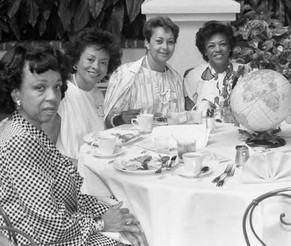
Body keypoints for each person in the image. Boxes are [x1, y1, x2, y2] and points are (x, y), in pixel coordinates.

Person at [0, 43, 147, 246]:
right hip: (42, 238)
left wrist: (107, 212)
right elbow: (48, 225)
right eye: (39, 87)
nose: (53, 97)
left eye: (57, 86)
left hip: (67, 225)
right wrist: (102, 222)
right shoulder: (20, 140)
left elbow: (71, 187)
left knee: (138, 224)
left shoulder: (31, 129)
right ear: (16, 93)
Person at [53, 28, 122, 161]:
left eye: (103, 62)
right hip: (70, 173)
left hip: (96, 168)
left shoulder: (98, 95)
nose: (96, 66)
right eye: (90, 59)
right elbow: (44, 147)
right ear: (75, 61)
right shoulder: (61, 93)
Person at [104, 16, 185, 127]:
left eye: (170, 42)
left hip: (168, 142)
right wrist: (121, 119)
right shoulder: (126, 74)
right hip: (133, 143)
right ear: (147, 43)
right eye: (159, 41)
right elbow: (106, 121)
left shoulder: (175, 78)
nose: (165, 47)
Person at [183, 21, 246, 121]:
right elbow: (189, 117)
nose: (218, 49)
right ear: (204, 51)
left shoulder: (244, 72)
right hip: (205, 133)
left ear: (230, 47)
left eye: (223, 44)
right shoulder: (192, 76)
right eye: (211, 46)